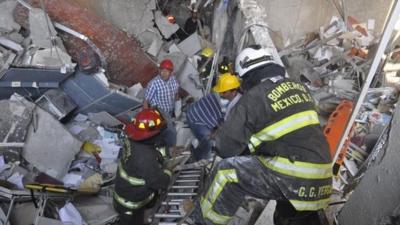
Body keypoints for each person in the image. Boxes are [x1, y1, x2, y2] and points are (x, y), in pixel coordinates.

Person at [194, 45, 332, 225]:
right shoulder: (298, 87)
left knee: (226, 172)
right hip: (322, 177)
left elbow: (225, 147)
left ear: (247, 76)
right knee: (287, 215)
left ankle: (200, 222)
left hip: (295, 172)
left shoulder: (253, 96)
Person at [113, 109, 172, 225]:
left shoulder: (131, 139)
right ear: (152, 135)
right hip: (130, 204)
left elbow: (157, 150)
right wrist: (168, 172)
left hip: (125, 192)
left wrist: (166, 155)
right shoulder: (145, 157)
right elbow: (159, 182)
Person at [186, 73, 241, 161]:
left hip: (208, 116)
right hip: (196, 118)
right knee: (209, 142)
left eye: (224, 92)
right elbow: (223, 125)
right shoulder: (225, 100)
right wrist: (214, 135)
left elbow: (224, 124)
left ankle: (198, 149)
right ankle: (199, 160)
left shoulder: (236, 105)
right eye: (220, 92)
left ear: (234, 92)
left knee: (215, 140)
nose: (221, 94)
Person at [144, 59, 179, 147]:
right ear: (159, 70)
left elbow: (176, 93)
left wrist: (178, 106)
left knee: (164, 129)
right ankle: (172, 150)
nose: (163, 73)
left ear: (171, 73)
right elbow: (146, 101)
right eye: (162, 70)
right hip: (158, 110)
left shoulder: (173, 80)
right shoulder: (153, 84)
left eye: (166, 71)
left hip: (169, 110)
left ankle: (162, 143)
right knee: (172, 131)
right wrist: (147, 116)